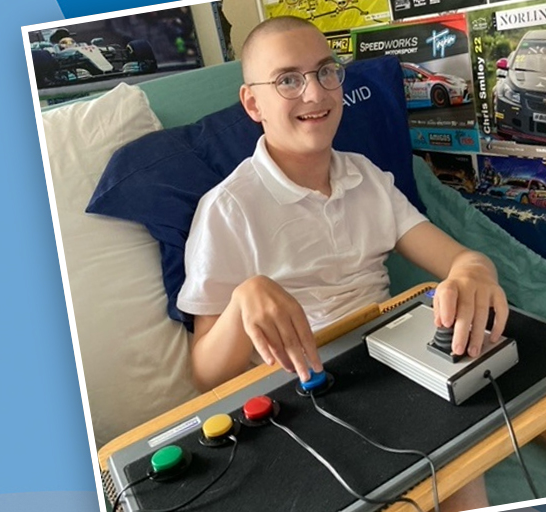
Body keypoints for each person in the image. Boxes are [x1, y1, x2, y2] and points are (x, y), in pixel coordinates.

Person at [177, 16, 507, 510]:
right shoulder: (229, 209)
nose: (314, 94)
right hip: (301, 396)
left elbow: (456, 258)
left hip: (392, 365)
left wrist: (475, 269)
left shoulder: (367, 178)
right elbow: (205, 374)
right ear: (253, 103)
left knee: (455, 465)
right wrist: (244, 302)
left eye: (326, 72)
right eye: (288, 80)